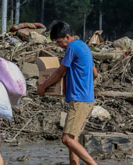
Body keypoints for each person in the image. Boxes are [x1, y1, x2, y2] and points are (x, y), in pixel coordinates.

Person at [37, 21, 98, 165]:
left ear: (67, 36)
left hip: (79, 100)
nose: (60, 45)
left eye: (59, 42)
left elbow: (59, 72)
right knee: (73, 138)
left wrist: (43, 87)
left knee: (66, 139)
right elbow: (95, 73)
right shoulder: (84, 46)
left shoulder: (72, 47)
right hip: (86, 99)